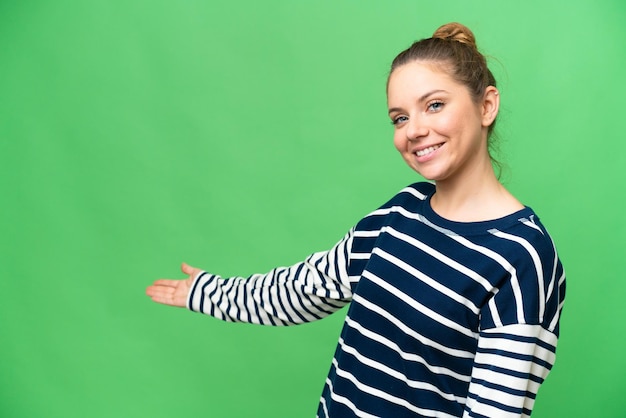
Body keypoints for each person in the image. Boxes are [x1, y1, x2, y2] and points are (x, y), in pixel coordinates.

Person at [146, 22, 566, 417]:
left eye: (434, 105)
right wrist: (208, 293)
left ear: (486, 106)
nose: (414, 130)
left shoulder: (522, 256)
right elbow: (304, 289)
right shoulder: (398, 213)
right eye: (400, 118)